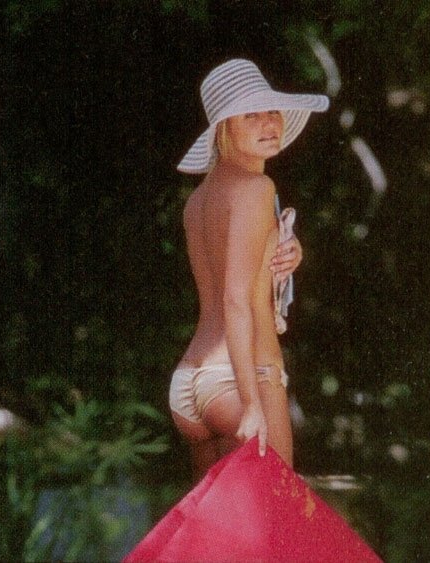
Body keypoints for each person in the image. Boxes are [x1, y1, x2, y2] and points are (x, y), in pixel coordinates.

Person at [169, 58, 329, 478]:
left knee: (214, 523)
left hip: (189, 383)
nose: (268, 123)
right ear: (223, 129)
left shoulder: (197, 201)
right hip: (240, 380)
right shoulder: (257, 188)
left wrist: (287, 251)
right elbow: (235, 300)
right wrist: (252, 404)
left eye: (272, 111)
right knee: (275, 518)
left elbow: (229, 269)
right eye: (250, 115)